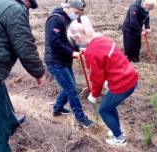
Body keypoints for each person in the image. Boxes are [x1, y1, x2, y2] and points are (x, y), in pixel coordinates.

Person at [67, 16, 139, 147]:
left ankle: (120, 139)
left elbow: (97, 78)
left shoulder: (91, 53)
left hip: (122, 84)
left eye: (74, 39)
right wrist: (108, 80)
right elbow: (113, 61)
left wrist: (93, 95)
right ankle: (117, 130)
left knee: (103, 111)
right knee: (110, 106)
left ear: (77, 37)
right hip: (130, 77)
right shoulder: (103, 39)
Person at [0, 0, 47, 151]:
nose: (26, 10)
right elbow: (25, 45)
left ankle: (10, 121)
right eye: (28, 7)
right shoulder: (15, 8)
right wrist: (39, 73)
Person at [44, 0, 95, 128]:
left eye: (79, 13)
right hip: (55, 61)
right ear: (67, 7)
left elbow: (67, 40)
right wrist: (71, 53)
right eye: (76, 12)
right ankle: (81, 119)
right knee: (72, 90)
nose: (77, 16)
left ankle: (58, 108)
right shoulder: (55, 19)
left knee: (70, 87)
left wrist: (78, 48)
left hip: (63, 59)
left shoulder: (66, 20)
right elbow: (54, 42)